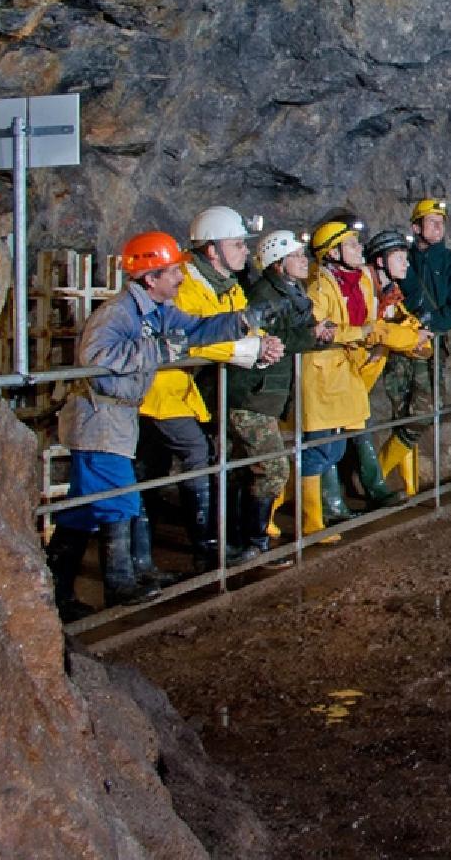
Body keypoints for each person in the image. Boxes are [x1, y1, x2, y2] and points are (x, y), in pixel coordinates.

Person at [46, 232, 258, 621]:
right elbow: (97, 356)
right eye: (173, 271)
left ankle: (56, 594)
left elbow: (195, 330)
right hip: (99, 417)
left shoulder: (157, 310)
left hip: (118, 416)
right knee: (121, 502)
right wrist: (158, 349)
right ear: (150, 277)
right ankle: (119, 583)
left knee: (82, 510)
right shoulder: (119, 312)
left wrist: (241, 322)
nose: (180, 277)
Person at [135, 206, 283, 574]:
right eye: (237, 244)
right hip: (159, 389)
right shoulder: (186, 284)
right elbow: (193, 336)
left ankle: (160, 557)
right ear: (212, 250)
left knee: (154, 471)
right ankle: (205, 550)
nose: (245, 251)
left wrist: (263, 343)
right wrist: (250, 349)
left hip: (184, 390)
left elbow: (237, 325)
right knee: (184, 462)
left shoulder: (227, 286)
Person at [300, 219, 429, 539]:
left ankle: (334, 506)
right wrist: (371, 333)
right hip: (325, 374)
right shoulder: (323, 287)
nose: (359, 248)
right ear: (333, 253)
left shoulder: (357, 283)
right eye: (351, 244)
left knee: (335, 445)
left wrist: (408, 336)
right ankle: (319, 515)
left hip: (345, 373)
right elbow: (325, 330)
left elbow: (379, 325)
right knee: (322, 447)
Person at [228, 229, 336, 558]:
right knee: (273, 469)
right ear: (277, 263)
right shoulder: (266, 295)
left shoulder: (292, 292)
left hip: (267, 391)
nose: (304, 261)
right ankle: (254, 543)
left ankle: (245, 541)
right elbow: (267, 337)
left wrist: (316, 333)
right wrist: (311, 335)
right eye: (296, 256)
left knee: (249, 468)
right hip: (253, 393)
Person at [389, 197, 451, 494]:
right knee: (400, 411)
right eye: (432, 222)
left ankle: (380, 472)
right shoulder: (402, 261)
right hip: (400, 345)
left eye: (441, 223)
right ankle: (408, 486)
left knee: (424, 412)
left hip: (431, 345)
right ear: (416, 227)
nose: (438, 227)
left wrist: (430, 327)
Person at [344, 228, 431, 509]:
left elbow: (404, 326)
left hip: (358, 376)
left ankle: (369, 489)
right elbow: (374, 330)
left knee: (339, 439)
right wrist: (411, 338)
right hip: (343, 373)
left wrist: (416, 337)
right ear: (380, 260)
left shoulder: (389, 292)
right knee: (325, 445)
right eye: (399, 257)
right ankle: (370, 490)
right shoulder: (362, 287)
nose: (406, 263)